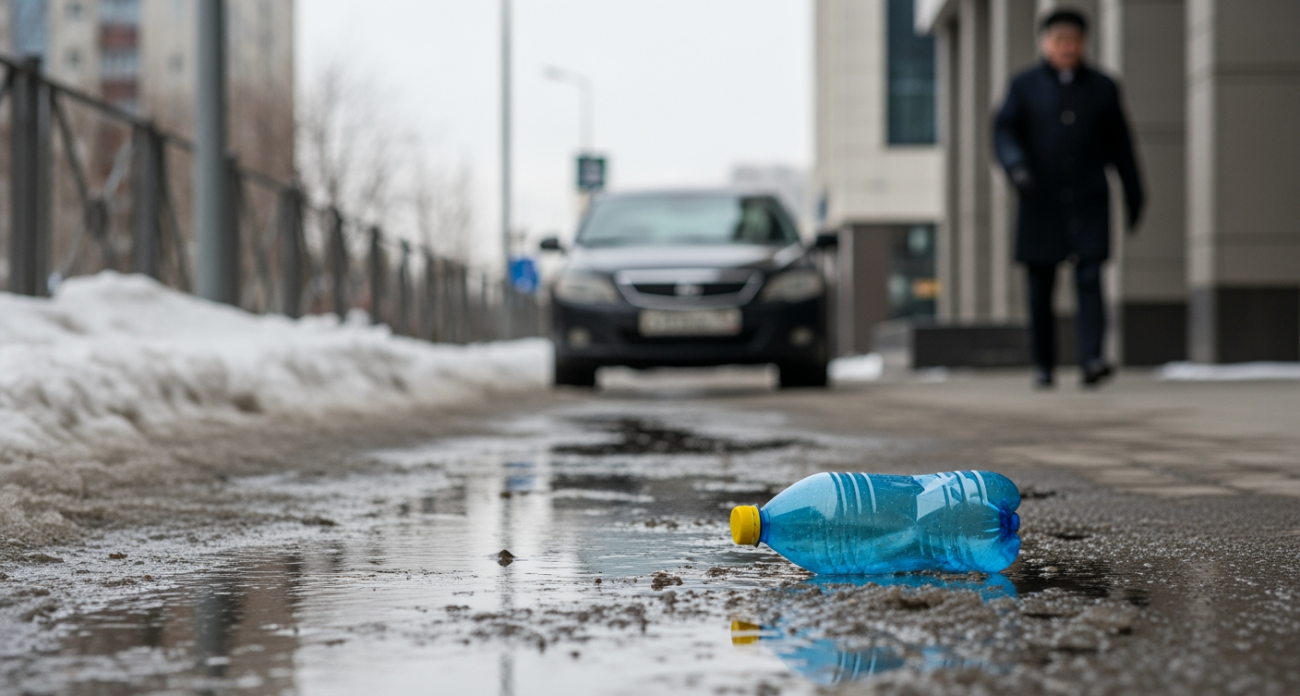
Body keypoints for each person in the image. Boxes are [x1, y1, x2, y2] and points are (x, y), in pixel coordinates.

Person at [993, 8, 1143, 389]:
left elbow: (1121, 145)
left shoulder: (1103, 87)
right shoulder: (1023, 86)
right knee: (1040, 286)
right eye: (1059, 40)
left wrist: (1134, 191)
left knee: (1091, 277)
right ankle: (1044, 364)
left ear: (1083, 44)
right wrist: (1017, 168)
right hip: (1039, 199)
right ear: (1045, 44)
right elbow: (1004, 132)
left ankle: (1092, 358)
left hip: (1088, 199)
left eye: (1073, 41)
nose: (1066, 48)